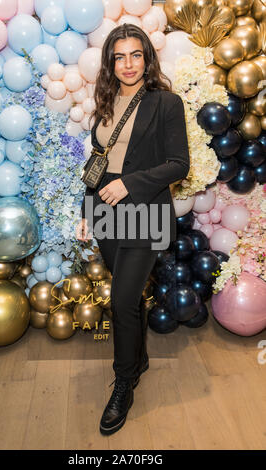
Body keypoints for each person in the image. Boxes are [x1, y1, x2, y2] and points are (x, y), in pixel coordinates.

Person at [75, 23, 190, 436]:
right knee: (128, 296)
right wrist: (86, 211)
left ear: (147, 57)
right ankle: (138, 358)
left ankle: (123, 382)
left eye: (135, 55)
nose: (128, 64)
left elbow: (179, 164)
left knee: (121, 301)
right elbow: (98, 164)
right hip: (107, 214)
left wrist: (131, 182)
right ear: (110, 62)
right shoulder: (104, 101)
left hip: (145, 211)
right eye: (119, 56)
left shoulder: (165, 103)